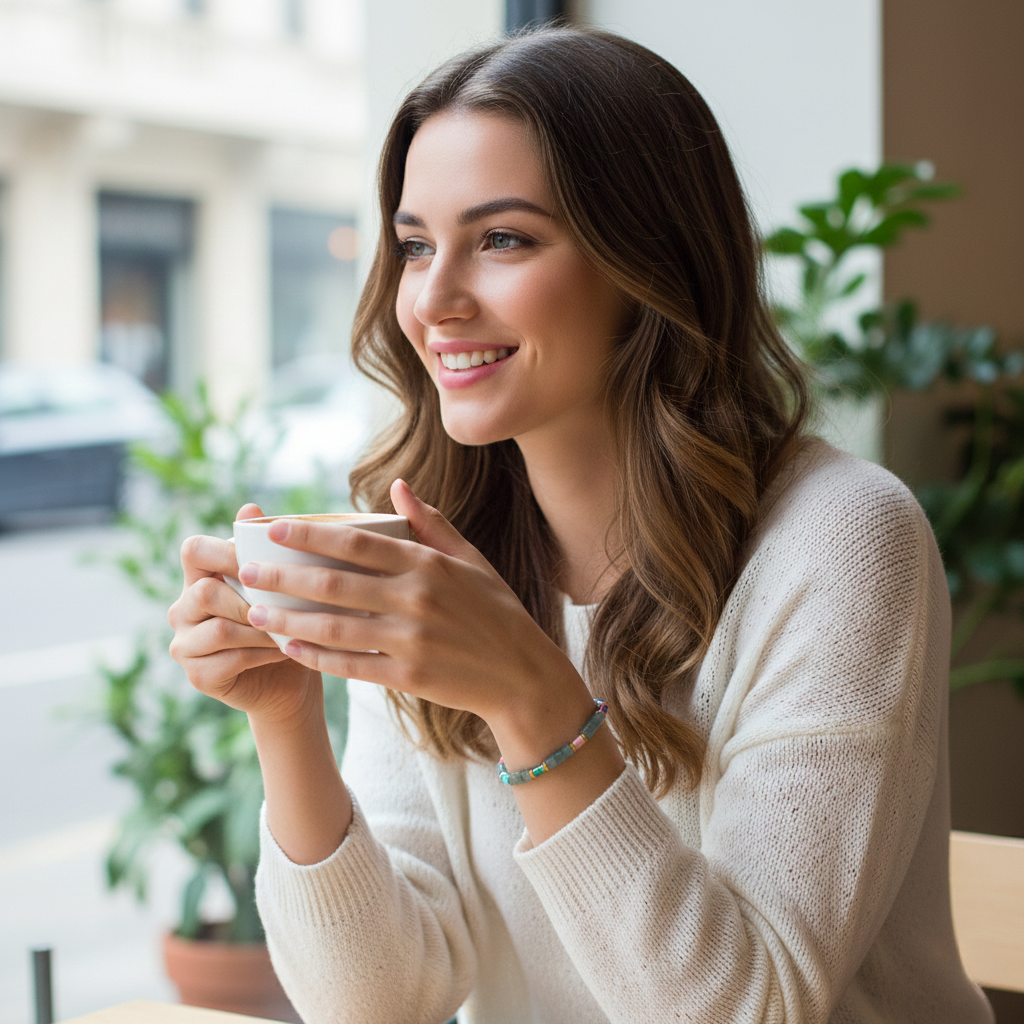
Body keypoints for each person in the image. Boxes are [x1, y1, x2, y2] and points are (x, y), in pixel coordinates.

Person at [168, 26, 994, 1024]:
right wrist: (287, 721)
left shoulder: (843, 540)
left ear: (647, 261)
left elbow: (751, 1008)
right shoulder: (432, 536)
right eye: (416, 244)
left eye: (504, 239)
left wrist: (530, 696)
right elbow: (375, 1000)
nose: (432, 299)